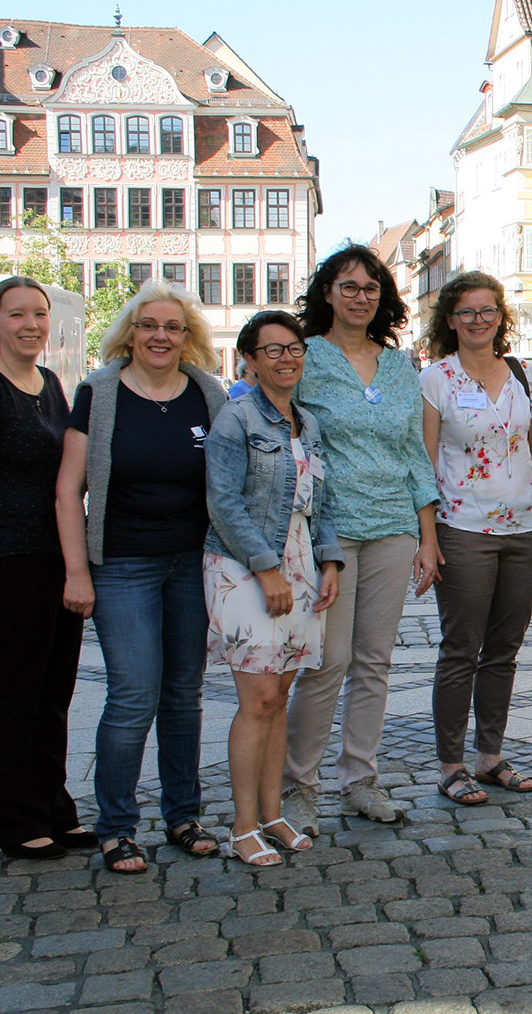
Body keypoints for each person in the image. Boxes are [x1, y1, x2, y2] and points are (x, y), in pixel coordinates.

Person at [55, 280, 227, 873]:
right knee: (133, 694)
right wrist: (77, 571)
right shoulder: (99, 393)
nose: (160, 336)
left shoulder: (208, 393)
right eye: (149, 325)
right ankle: (117, 827)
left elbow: (229, 481)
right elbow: (66, 490)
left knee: (183, 695)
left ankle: (184, 815)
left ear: (188, 337)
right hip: (122, 564)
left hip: (192, 563)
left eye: (173, 327)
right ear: (130, 333)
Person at [283, 245, 441, 834]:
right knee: (328, 661)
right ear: (327, 292)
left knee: (375, 661)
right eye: (348, 286)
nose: (360, 297)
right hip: (330, 529)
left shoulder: (400, 367)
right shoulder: (308, 358)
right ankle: (300, 785)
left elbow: (413, 454)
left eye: (371, 287)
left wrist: (427, 535)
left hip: (394, 526)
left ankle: (360, 779)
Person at [0, 277, 94, 860]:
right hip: (4, 559)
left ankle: (55, 807)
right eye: (17, 315)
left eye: (38, 314)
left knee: (54, 691)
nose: (30, 325)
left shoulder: (49, 384)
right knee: (17, 692)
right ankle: (18, 820)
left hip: (59, 555)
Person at [204, 311, 343, 865]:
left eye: (294, 349)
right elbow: (223, 501)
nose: (286, 359)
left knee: (280, 698)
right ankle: (242, 826)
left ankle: (273, 815)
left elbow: (321, 503)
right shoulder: (235, 420)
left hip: (301, 565)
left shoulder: (307, 423)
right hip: (245, 565)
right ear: (251, 359)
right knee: (257, 698)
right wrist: (265, 569)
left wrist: (329, 563)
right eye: (273, 350)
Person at [419, 272, 532, 805]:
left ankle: (490, 756)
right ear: (450, 319)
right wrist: (426, 537)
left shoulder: (520, 373)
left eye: (488, 310)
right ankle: (451, 764)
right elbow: (424, 461)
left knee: (504, 650)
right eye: (467, 312)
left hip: (524, 525)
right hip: (463, 527)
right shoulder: (436, 380)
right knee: (460, 649)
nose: (479, 320)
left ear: (501, 316)